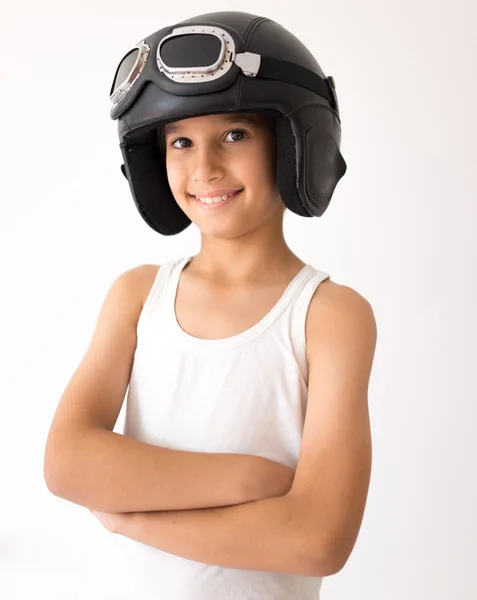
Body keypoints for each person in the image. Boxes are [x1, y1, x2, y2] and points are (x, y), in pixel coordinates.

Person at [44, 10, 376, 599]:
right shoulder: (138, 295)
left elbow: (318, 540)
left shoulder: (329, 316)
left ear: (295, 144)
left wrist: (129, 514)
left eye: (235, 134)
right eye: (180, 141)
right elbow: (68, 463)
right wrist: (251, 479)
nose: (204, 168)